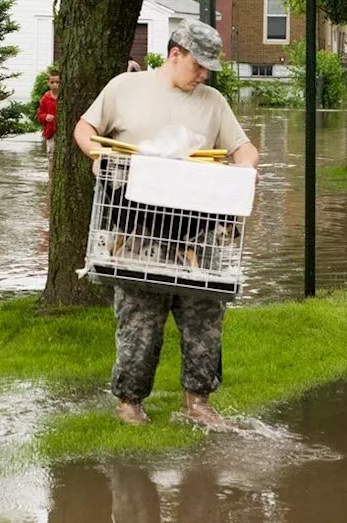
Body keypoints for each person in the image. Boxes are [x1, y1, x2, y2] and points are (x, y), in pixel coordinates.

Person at [73, 21, 259, 427]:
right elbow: (84, 128)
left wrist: (245, 164)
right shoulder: (125, 87)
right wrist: (96, 156)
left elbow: (243, 146)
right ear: (175, 54)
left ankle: (198, 401)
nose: (204, 74)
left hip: (197, 229)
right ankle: (130, 402)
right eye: (198, 65)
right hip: (136, 225)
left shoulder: (213, 102)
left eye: (209, 67)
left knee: (204, 318)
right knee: (140, 319)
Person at [37, 70, 60, 175]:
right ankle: (50, 179)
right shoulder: (45, 99)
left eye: (57, 82)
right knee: (51, 157)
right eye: (52, 82)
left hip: (63, 130)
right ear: (48, 83)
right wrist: (46, 117)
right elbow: (39, 115)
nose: (55, 85)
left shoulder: (65, 97)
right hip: (51, 132)